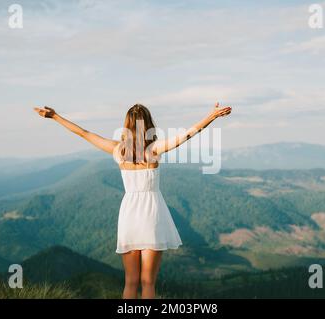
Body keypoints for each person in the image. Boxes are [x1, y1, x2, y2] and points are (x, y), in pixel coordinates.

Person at [34, 102, 232, 298]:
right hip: (152, 215)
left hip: (129, 215)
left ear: (126, 125)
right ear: (148, 124)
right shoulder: (154, 150)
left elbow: (84, 133)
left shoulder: (118, 150)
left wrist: (55, 117)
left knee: (130, 281)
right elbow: (187, 134)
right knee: (148, 282)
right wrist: (211, 116)